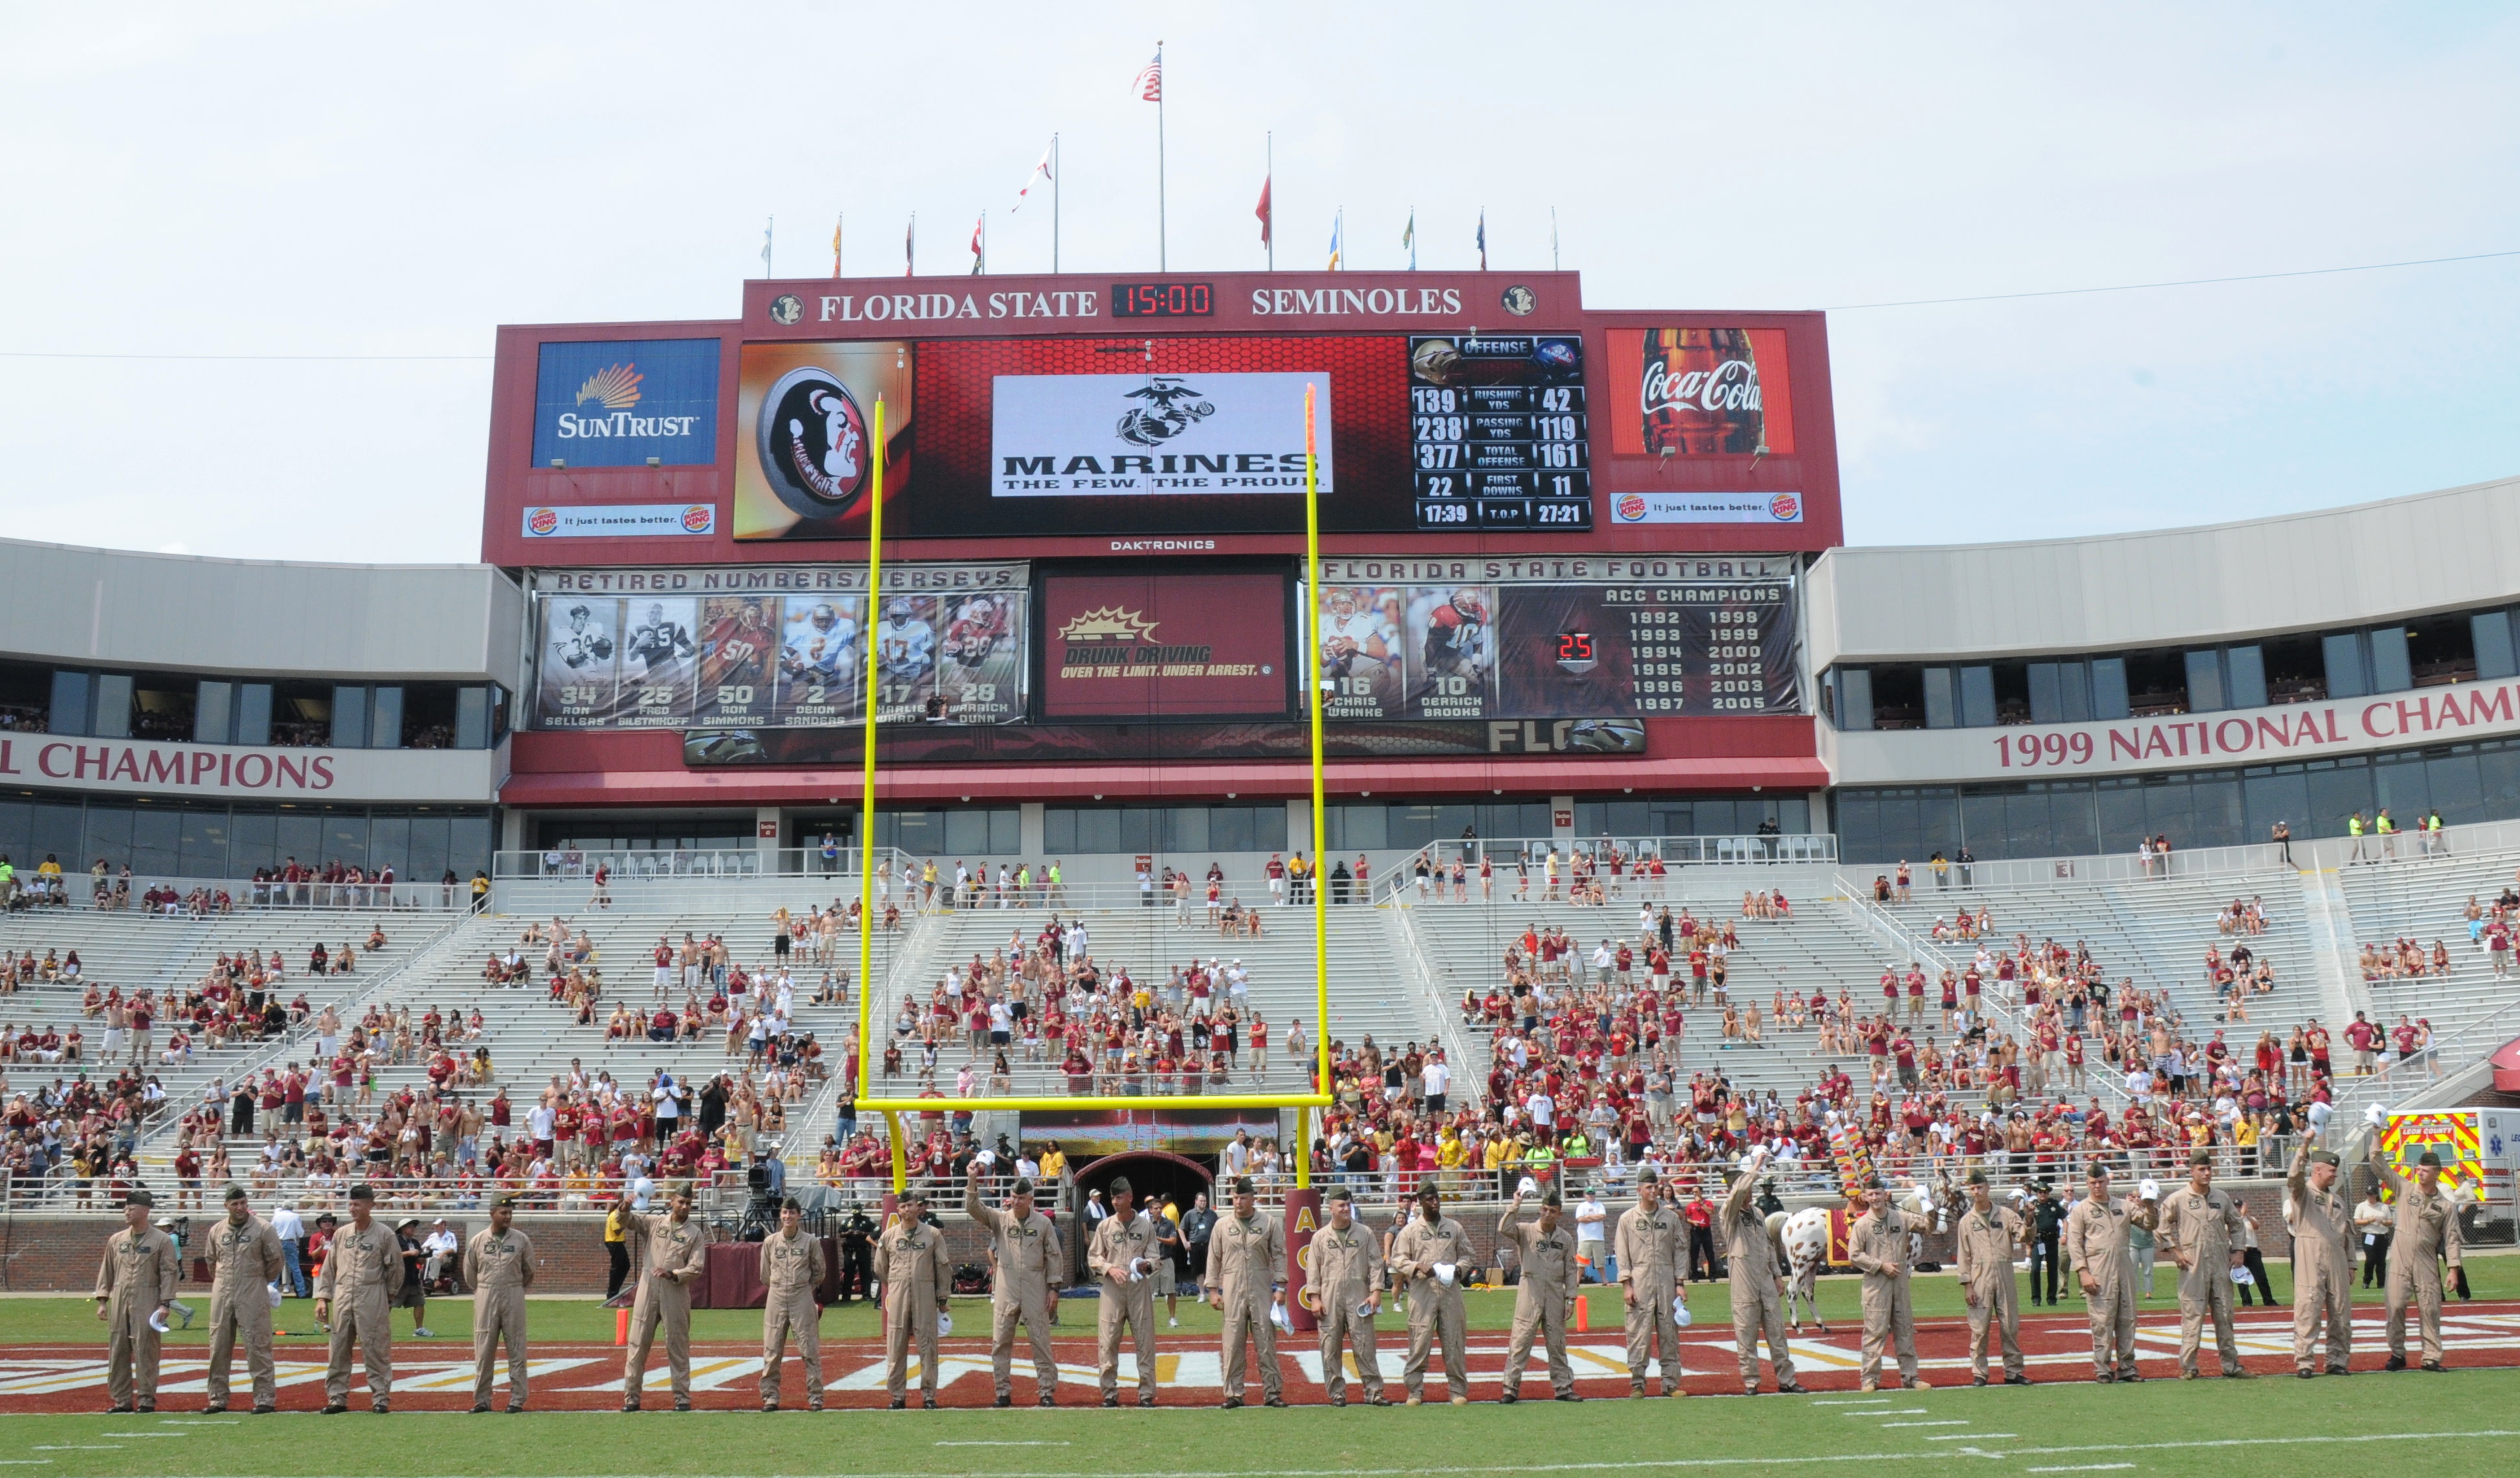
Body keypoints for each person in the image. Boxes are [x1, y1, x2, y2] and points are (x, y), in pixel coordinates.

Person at [966, 1165, 1064, 1407]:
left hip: (1034, 1286)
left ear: (1031, 1199)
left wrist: (1054, 1288)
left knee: (1040, 1340)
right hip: (1007, 1287)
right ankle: (1002, 1392)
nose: (1017, 1201)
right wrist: (972, 1180)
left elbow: (1054, 1256)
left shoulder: (1043, 1224)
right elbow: (974, 1208)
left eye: (1022, 1198)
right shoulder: (1000, 1219)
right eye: (1015, 1197)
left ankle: (1046, 1391)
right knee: (1000, 1341)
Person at [2156, 1152, 2252, 1380]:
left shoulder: (2221, 1197)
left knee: (2225, 1314)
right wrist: (2174, 1251)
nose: (2207, 1173)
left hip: (2220, 1263)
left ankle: (2231, 1365)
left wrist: (2238, 1251)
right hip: (2193, 1266)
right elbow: (2161, 1227)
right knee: (2193, 1315)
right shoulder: (2178, 1199)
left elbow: (2237, 1224)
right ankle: (2189, 1366)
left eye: (2209, 1169)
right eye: (2202, 1169)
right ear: (2192, 1171)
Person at [315, 1182, 405, 1414]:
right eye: (351, 1204)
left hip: (372, 1293)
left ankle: (380, 1398)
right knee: (338, 1348)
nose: (353, 1209)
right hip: (344, 1294)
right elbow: (329, 1267)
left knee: (375, 1348)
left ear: (370, 1205)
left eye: (358, 1204)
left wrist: (389, 1296)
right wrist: (323, 1297)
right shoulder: (342, 1235)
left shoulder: (384, 1234)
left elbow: (396, 1268)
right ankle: (337, 1398)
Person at [617, 1185, 707, 1411]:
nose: (685, 1207)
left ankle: (682, 1398)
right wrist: (625, 1206)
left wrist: (673, 1274)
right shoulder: (655, 1223)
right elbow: (626, 1222)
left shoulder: (695, 1234)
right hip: (648, 1289)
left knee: (677, 1345)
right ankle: (631, 1398)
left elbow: (697, 1267)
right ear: (672, 1202)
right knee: (637, 1344)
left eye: (688, 1203)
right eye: (681, 1202)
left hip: (675, 1292)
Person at [2064, 1163, 2156, 1383]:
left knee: (2127, 1319)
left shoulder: (2123, 1206)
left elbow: (2148, 1224)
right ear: (2087, 1184)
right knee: (2102, 1321)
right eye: (2093, 1183)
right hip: (2098, 1269)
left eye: (2101, 1182)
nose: (2097, 1186)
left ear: (2108, 1182)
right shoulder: (2081, 1210)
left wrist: (2150, 1205)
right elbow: (2075, 1244)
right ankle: (2103, 1368)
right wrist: (2083, 1272)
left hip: (2124, 1267)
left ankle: (2127, 1367)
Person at [1720, 1149, 1801, 1394]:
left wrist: (1777, 1276)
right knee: (1746, 1333)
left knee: (1777, 1332)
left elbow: (1768, 1245)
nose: (1750, 1193)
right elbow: (1737, 1193)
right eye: (1746, 1188)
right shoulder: (1728, 1213)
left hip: (1765, 1278)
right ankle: (1751, 1381)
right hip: (1744, 1280)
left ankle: (1787, 1380)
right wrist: (1755, 1165)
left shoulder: (1757, 1213)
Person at [2375, 1150, 2463, 1371]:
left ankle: (2431, 1357)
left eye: (2426, 1170)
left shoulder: (2446, 1206)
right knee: (2394, 1306)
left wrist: (2453, 1269)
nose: (2420, 1173)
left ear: (2437, 1174)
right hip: (2399, 1259)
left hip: (2426, 1261)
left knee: (2430, 1309)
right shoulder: (2405, 1189)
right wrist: (2376, 1135)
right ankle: (2397, 1354)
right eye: (2419, 1169)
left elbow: (2452, 1238)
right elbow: (2380, 1168)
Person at [93, 1189, 180, 1414]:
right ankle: (121, 1400)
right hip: (120, 1298)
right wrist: (103, 1300)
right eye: (126, 1208)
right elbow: (107, 1270)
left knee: (146, 1350)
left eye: (131, 1208)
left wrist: (165, 1303)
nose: (127, 1211)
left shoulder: (161, 1240)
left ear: (145, 1210)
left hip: (148, 1297)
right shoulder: (117, 1240)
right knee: (118, 1350)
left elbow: (169, 1272)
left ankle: (146, 1399)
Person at [1204, 1174, 1288, 1408]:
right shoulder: (1222, 1225)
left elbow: (1280, 1255)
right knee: (1232, 1343)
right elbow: (1214, 1259)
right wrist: (1213, 1289)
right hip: (1232, 1288)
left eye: (1243, 1198)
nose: (1238, 1202)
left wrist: (1281, 1286)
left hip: (1261, 1286)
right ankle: (1234, 1393)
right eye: (1235, 1197)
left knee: (1266, 1342)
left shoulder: (1269, 1223)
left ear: (1253, 1198)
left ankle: (1273, 1392)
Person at [202, 1185, 286, 1414]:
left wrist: (259, 1280)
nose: (240, 1208)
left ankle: (264, 1398)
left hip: (252, 1288)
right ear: (226, 1206)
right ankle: (217, 1398)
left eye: (243, 1203)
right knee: (218, 1345)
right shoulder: (217, 1230)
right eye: (235, 1204)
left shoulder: (263, 1229)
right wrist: (224, 1280)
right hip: (223, 1288)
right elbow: (211, 1261)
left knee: (258, 1345)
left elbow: (276, 1260)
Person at [1390, 1182, 1473, 1405]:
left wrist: (1458, 1269)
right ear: (1420, 1202)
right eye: (1430, 1199)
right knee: (1419, 1341)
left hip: (1450, 1292)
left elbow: (1467, 1255)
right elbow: (1398, 1258)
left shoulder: (1454, 1227)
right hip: (1422, 1292)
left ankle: (1457, 1391)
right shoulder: (1410, 1231)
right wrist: (1416, 1266)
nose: (1435, 1202)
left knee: (1454, 1341)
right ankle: (1415, 1391)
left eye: (1437, 1198)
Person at [1496, 1189, 1581, 1403]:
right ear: (1539, 1209)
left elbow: (1571, 1270)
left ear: (1559, 1214)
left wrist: (1571, 1298)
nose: (1548, 1214)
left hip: (1554, 1293)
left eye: (1553, 1211)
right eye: (1544, 1209)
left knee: (1557, 1344)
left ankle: (1563, 1387)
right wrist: (1515, 1205)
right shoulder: (1526, 1231)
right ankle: (1510, 1388)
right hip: (1530, 1290)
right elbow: (1504, 1228)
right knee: (1521, 1341)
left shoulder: (1565, 1238)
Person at [1847, 1177, 1929, 1392]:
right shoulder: (1863, 1224)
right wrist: (1880, 1265)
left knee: (1905, 1330)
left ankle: (1911, 1376)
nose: (1875, 1198)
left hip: (1900, 1283)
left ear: (1886, 1195)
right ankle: (1870, 1379)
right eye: (1871, 1194)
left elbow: (1927, 1226)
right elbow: (1854, 1255)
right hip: (1877, 1284)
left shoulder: (1899, 1218)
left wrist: (1928, 1204)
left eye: (1878, 1193)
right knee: (1875, 1332)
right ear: (1865, 1197)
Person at [1088, 1176, 1161, 1407]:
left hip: (1139, 1289)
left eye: (1119, 1197)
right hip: (1113, 1290)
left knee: (1145, 1343)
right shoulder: (1105, 1226)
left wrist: (1146, 1265)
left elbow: (1156, 1258)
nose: (1115, 1202)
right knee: (1108, 1342)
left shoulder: (1146, 1226)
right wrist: (1109, 1269)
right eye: (1113, 1198)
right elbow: (1093, 1257)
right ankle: (1109, 1393)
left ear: (1130, 1197)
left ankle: (1147, 1393)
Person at [1312, 1187, 1388, 1406]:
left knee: (1365, 1345)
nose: (1346, 1209)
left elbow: (1376, 1264)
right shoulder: (1320, 1238)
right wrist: (1315, 1298)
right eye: (1342, 1206)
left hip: (1359, 1297)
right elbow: (1313, 1271)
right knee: (1330, 1348)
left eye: (1348, 1205)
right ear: (1331, 1209)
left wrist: (1376, 1293)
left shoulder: (1365, 1234)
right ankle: (1337, 1393)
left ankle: (1374, 1392)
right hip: (1329, 1298)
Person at [1614, 1167, 1687, 1398]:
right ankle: (1638, 1383)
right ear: (1639, 1190)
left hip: (1666, 1279)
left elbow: (1680, 1249)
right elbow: (1622, 1252)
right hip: (1640, 1279)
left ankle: (1671, 1383)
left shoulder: (1671, 1218)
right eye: (1648, 1187)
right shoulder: (1627, 1219)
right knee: (1638, 1333)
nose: (1653, 1191)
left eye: (1655, 1186)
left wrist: (1680, 1282)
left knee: (1669, 1332)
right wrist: (1626, 1283)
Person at [877, 1187, 953, 1410]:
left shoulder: (932, 1234)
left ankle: (929, 1395)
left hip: (925, 1295)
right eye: (902, 1206)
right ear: (898, 1210)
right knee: (896, 1345)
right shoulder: (889, 1236)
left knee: (928, 1346)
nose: (907, 1209)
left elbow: (942, 1266)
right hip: (899, 1295)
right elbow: (881, 1267)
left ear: (917, 1207)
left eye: (910, 1205)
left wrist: (942, 1297)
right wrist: (896, 1283)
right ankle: (897, 1395)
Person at [1953, 1172, 2029, 1387]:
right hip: (1979, 1276)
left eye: (1979, 1187)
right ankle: (1979, 1373)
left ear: (1987, 1188)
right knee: (1979, 1328)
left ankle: (2013, 1371)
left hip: (2005, 1272)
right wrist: (1967, 1285)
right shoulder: (1966, 1222)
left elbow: (2023, 1236)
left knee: (2010, 1325)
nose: (1976, 1192)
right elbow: (1963, 1255)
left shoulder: (2005, 1215)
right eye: (1973, 1189)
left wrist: (2029, 1221)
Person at [2285, 1146, 2354, 1377]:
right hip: (2310, 1254)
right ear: (2318, 1169)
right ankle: (2304, 1361)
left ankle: (2337, 1361)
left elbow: (2347, 1235)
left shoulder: (2338, 1201)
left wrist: (2352, 1263)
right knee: (2308, 1308)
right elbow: (2293, 1177)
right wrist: (2303, 1149)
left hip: (2337, 1258)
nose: (2335, 1174)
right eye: (2332, 1170)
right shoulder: (2303, 1193)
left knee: (2340, 1312)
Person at [464, 1195, 536, 1413]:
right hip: (486, 1293)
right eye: (503, 1213)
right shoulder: (478, 1240)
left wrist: (515, 1287)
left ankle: (517, 1399)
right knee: (484, 1348)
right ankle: (482, 1400)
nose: (508, 1217)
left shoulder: (521, 1240)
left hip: (513, 1293)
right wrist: (484, 1289)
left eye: (510, 1213)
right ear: (492, 1214)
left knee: (516, 1347)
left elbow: (529, 1271)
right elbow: (470, 1272)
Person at [757, 1197, 826, 1411]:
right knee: (772, 1349)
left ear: (799, 1215)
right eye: (785, 1213)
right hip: (776, 1295)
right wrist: (779, 1287)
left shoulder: (810, 1242)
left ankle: (815, 1397)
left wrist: (804, 1287)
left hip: (801, 1295)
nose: (788, 1217)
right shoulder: (770, 1242)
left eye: (792, 1213)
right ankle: (770, 1397)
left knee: (809, 1349)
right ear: (780, 1215)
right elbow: (764, 1274)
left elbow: (819, 1272)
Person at [2027, 1182, 2065, 1306]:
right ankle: (2036, 1298)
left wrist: (2065, 1234)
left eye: (2045, 1192)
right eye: (2040, 1192)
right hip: (2039, 1240)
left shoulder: (2054, 1204)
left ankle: (2051, 1298)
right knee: (2035, 1269)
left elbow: (2065, 1218)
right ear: (2037, 1193)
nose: (2043, 1194)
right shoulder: (2033, 1205)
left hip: (2052, 1240)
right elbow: (2027, 1223)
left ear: (2048, 1193)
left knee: (2053, 1270)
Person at [837, 1203, 879, 1304]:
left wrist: (863, 1234)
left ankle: (867, 1295)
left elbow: (876, 1231)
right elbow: (841, 1233)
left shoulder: (867, 1221)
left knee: (865, 1273)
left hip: (863, 1250)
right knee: (848, 1273)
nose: (856, 1215)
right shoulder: (847, 1221)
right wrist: (849, 1233)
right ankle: (846, 1295)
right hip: (850, 1251)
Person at [602, 1197, 632, 1301]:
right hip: (614, 1242)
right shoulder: (615, 1215)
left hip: (617, 1242)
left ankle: (615, 1291)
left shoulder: (614, 1214)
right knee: (618, 1267)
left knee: (624, 1266)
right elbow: (617, 1231)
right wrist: (626, 1223)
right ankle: (612, 1292)